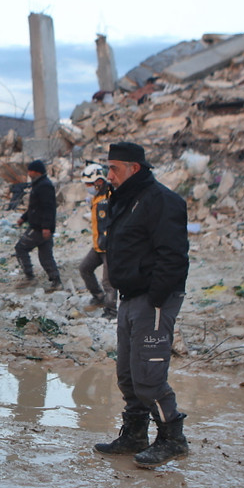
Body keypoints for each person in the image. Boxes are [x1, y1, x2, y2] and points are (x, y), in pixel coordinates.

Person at [94, 142, 190, 469]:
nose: (109, 175)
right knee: (127, 375)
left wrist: (156, 297)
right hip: (129, 298)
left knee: (149, 376)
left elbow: (174, 256)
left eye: (114, 169)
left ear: (134, 168)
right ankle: (134, 434)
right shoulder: (124, 200)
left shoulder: (161, 200)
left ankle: (173, 439)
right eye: (108, 168)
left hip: (153, 300)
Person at [13, 158, 61, 291]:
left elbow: (48, 208)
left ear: (36, 172)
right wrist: (23, 218)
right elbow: (35, 207)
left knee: (20, 248)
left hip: (39, 228)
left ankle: (30, 278)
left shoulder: (44, 186)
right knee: (45, 255)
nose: (28, 173)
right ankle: (56, 282)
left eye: (30, 171)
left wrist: (46, 227)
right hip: (42, 227)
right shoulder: (39, 184)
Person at [78, 163, 117, 317]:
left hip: (109, 247)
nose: (88, 187)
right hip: (98, 245)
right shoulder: (97, 197)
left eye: (89, 184)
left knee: (108, 282)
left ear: (99, 181)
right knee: (85, 268)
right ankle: (98, 297)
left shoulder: (110, 196)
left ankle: (111, 310)